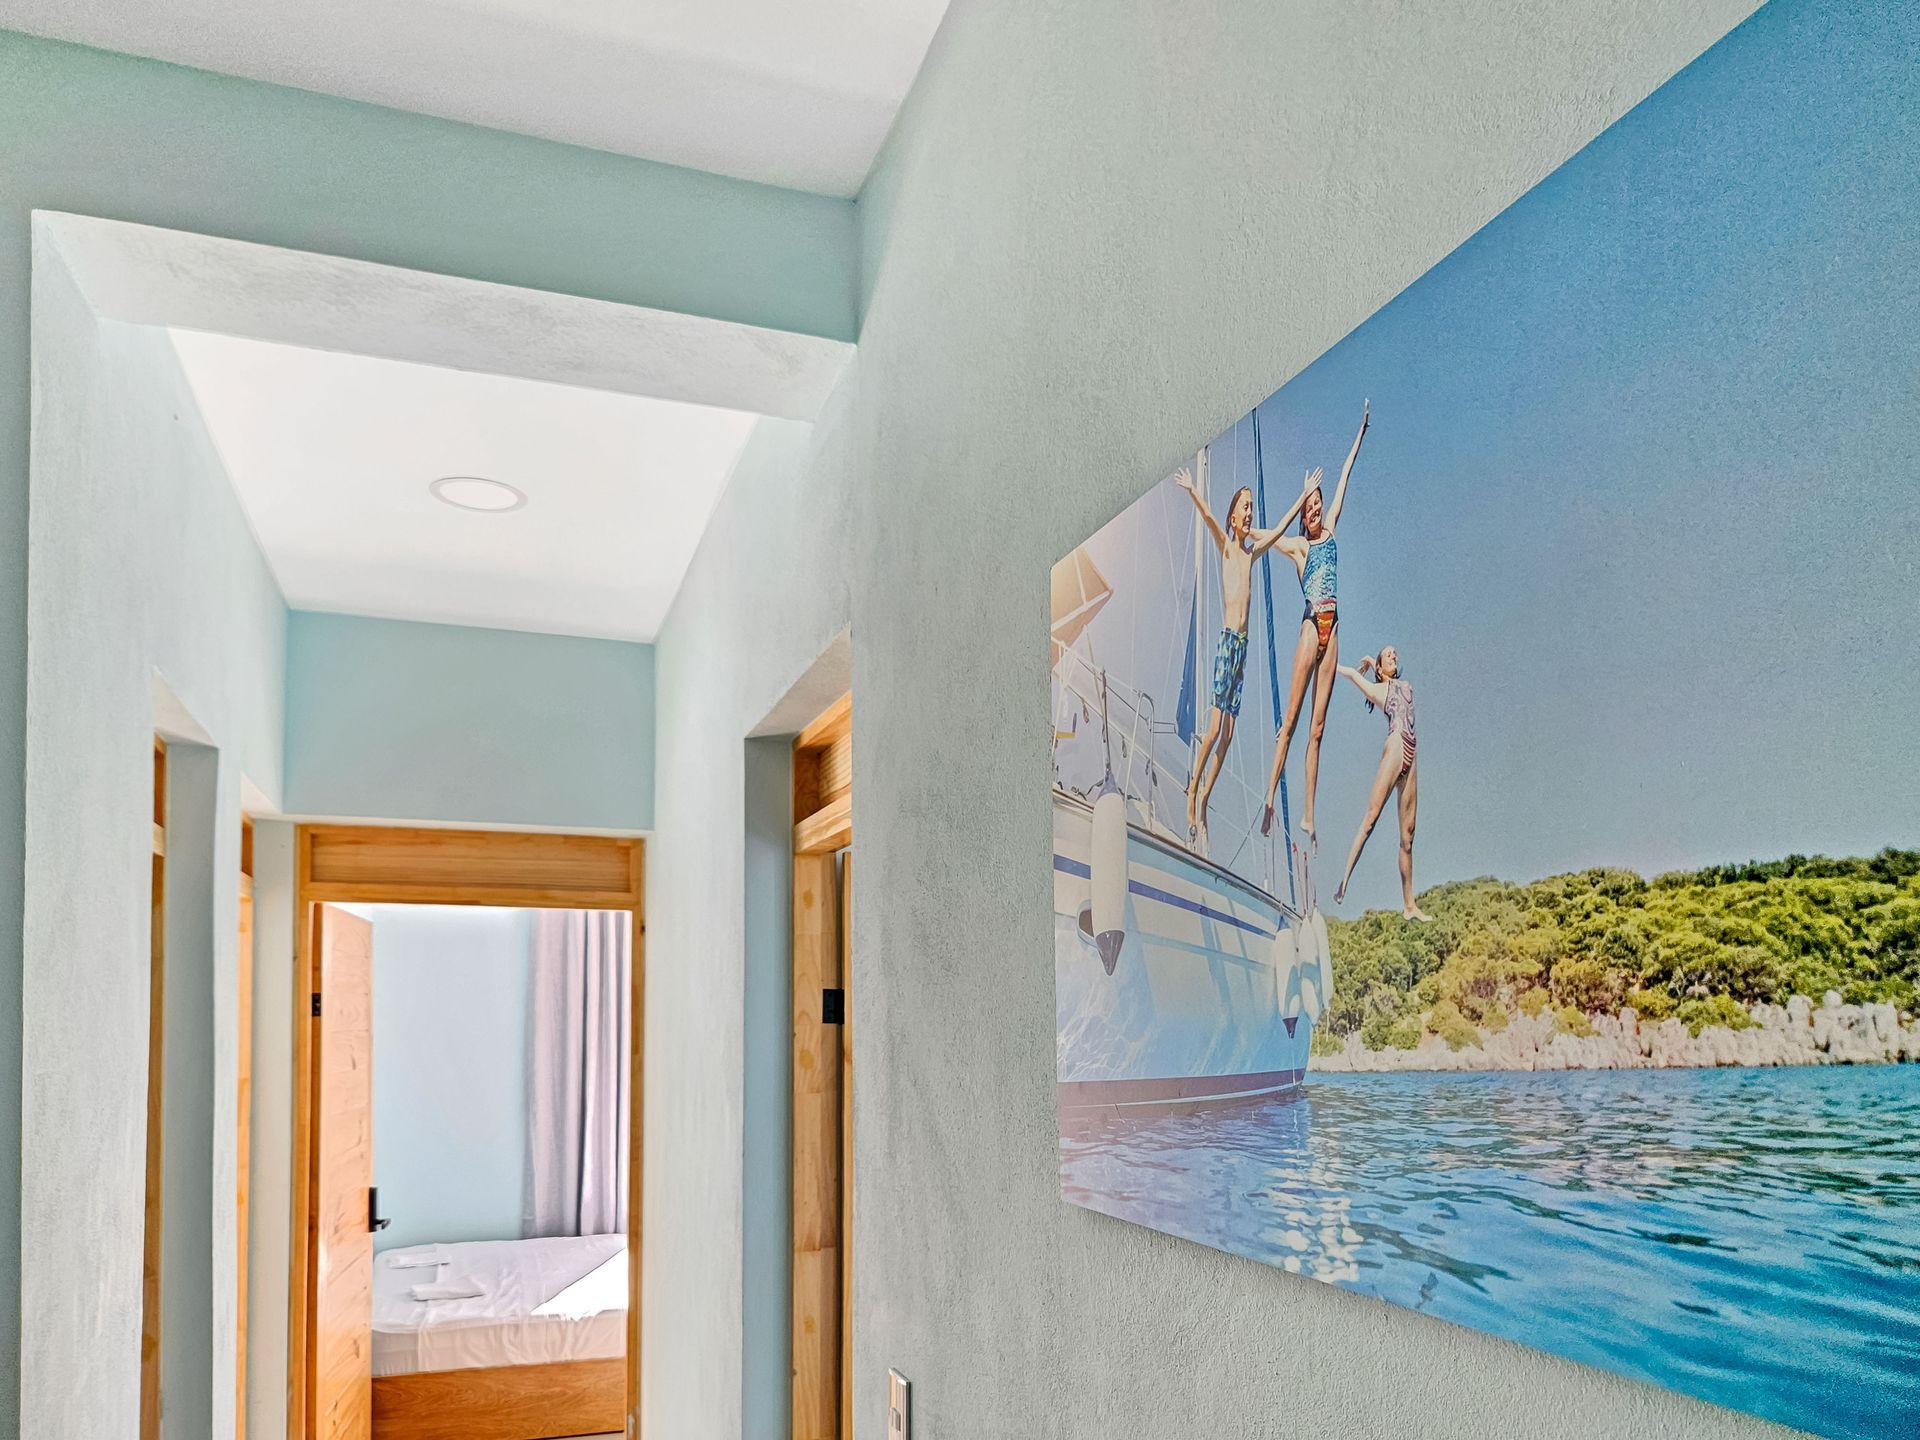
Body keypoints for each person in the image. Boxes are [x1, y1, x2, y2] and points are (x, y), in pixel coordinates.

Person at [1259, 402, 1370, 851]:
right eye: (1309, 508)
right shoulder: (1300, 548)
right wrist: (1237, 529)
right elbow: (1266, 536)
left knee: (1318, 727)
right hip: (1310, 625)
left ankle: (1308, 814)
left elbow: (1344, 476)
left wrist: (1360, 431)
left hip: (1335, 627)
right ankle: (1269, 798)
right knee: (1291, 719)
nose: (1315, 511)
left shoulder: (1333, 530)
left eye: (1316, 505)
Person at [1173, 461, 1296, 851]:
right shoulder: (1227, 548)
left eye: (1251, 507)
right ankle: (1191, 790)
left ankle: (1206, 795)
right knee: (1214, 730)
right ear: (1233, 515)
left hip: (1242, 650)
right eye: (1244, 506)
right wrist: (1193, 489)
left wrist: (1301, 498)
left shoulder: (1251, 554)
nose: (1249, 512)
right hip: (1228, 643)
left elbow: (1277, 532)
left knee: (1229, 733)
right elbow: (1209, 515)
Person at [1331, 646, 1430, 921]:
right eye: (1388, 655)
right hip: (1397, 745)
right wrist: (1330, 664)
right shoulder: (1379, 692)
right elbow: (1351, 674)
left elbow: (1381, 669)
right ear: (1379, 668)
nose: (1395, 655)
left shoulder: (1406, 686)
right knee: (1371, 819)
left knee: (1408, 836)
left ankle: (1409, 905)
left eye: (1395, 653)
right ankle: (1344, 881)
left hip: (1412, 753)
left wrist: (1372, 660)